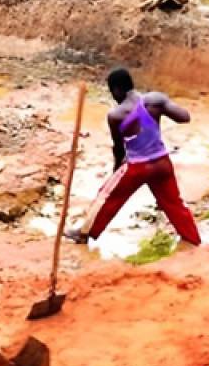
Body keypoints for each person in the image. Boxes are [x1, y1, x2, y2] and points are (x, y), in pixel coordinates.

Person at [64, 68, 201, 246]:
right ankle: (193, 239)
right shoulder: (154, 101)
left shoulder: (116, 115)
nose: (113, 96)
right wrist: (159, 108)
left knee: (106, 198)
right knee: (174, 203)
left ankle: (84, 234)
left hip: (138, 167)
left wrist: (116, 170)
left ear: (117, 90)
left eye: (112, 92)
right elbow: (184, 117)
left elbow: (119, 149)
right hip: (162, 163)